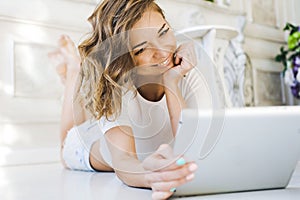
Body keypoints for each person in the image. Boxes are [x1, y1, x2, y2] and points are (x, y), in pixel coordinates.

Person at [49, 0, 217, 199]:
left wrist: (171, 80)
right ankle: (74, 69)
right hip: (101, 148)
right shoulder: (117, 80)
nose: (163, 53)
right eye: (141, 49)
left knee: (95, 113)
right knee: (67, 144)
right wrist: (151, 177)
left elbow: (194, 144)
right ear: (124, 58)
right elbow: (123, 160)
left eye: (163, 32)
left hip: (121, 126)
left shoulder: (188, 62)